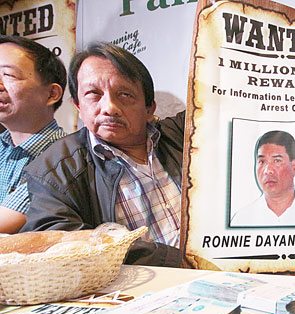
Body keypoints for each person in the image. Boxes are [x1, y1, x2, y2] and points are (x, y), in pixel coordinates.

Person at [22, 42, 184, 266]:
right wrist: (183, 261)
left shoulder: (182, 135)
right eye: (93, 94)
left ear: (149, 108)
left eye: (125, 94)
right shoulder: (55, 170)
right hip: (146, 288)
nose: (109, 107)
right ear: (78, 106)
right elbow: (60, 240)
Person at [0, 36, 66, 234]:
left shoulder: (62, 157)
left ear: (51, 94)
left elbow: (5, 223)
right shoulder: (3, 146)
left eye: (8, 75)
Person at [230, 130, 295, 227]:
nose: (268, 170)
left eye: (277, 161)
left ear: (294, 167)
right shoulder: (242, 219)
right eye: (262, 162)